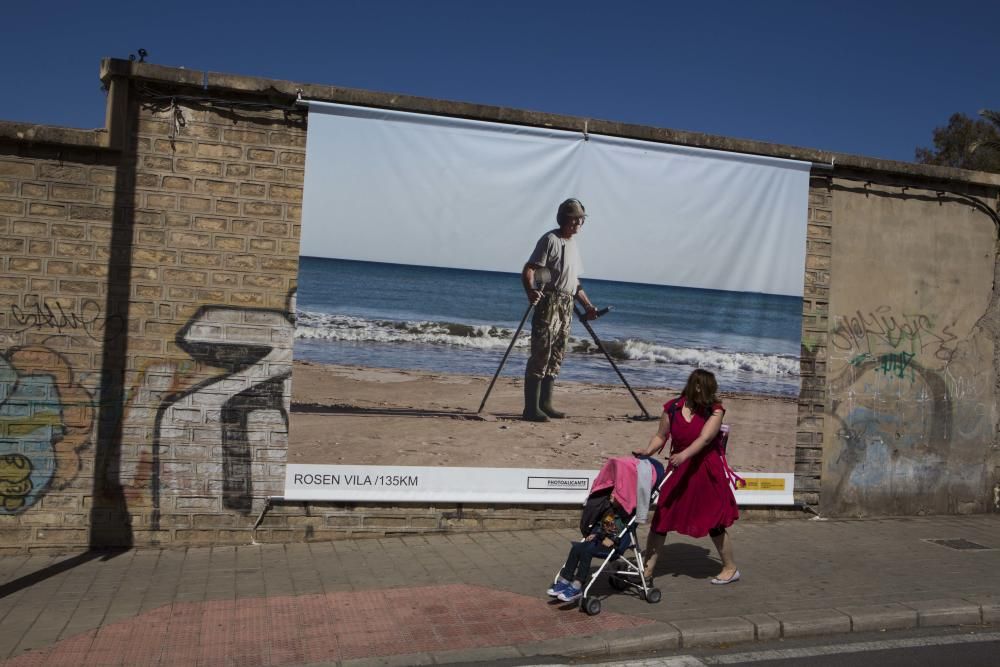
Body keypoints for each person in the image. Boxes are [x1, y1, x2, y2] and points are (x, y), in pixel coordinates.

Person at [635, 369, 741, 585]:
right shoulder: (672, 408)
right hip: (678, 468)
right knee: (662, 516)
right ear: (697, 386)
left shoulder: (715, 410)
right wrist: (648, 451)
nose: (712, 393)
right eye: (708, 388)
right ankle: (647, 571)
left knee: (713, 521)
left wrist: (683, 455)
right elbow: (660, 436)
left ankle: (730, 568)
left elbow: (704, 439)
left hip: (705, 470)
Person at [521, 198, 599, 421]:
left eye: (581, 219)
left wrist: (588, 305)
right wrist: (530, 291)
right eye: (574, 218)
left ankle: (546, 404)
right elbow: (529, 269)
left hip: (567, 303)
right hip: (549, 300)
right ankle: (530, 409)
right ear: (564, 218)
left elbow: (574, 282)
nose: (578, 223)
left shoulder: (574, 245)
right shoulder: (550, 240)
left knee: (557, 352)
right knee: (542, 351)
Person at [547, 503, 626, 602]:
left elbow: (620, 533)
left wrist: (611, 539)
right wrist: (595, 534)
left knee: (586, 551)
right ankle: (566, 580)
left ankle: (577, 585)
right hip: (600, 540)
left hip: (612, 545)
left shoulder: (623, 516)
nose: (611, 496)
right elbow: (602, 527)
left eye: (615, 494)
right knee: (576, 548)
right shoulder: (610, 512)